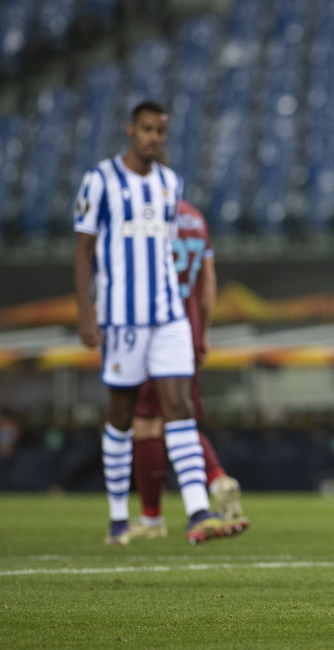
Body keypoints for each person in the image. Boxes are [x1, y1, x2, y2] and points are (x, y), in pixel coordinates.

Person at [73, 101, 246, 546]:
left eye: (161, 131)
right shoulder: (100, 180)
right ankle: (118, 517)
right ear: (131, 129)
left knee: (178, 411)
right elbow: (84, 252)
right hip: (123, 318)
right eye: (147, 129)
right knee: (122, 417)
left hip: (169, 317)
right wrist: (87, 314)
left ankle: (196, 513)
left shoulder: (171, 185)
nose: (153, 137)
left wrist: (194, 330)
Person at [128, 199, 247, 539]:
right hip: (188, 331)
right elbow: (208, 284)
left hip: (153, 331)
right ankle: (217, 478)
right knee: (179, 419)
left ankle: (152, 519)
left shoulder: (143, 217)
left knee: (148, 422)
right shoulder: (195, 217)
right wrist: (203, 331)